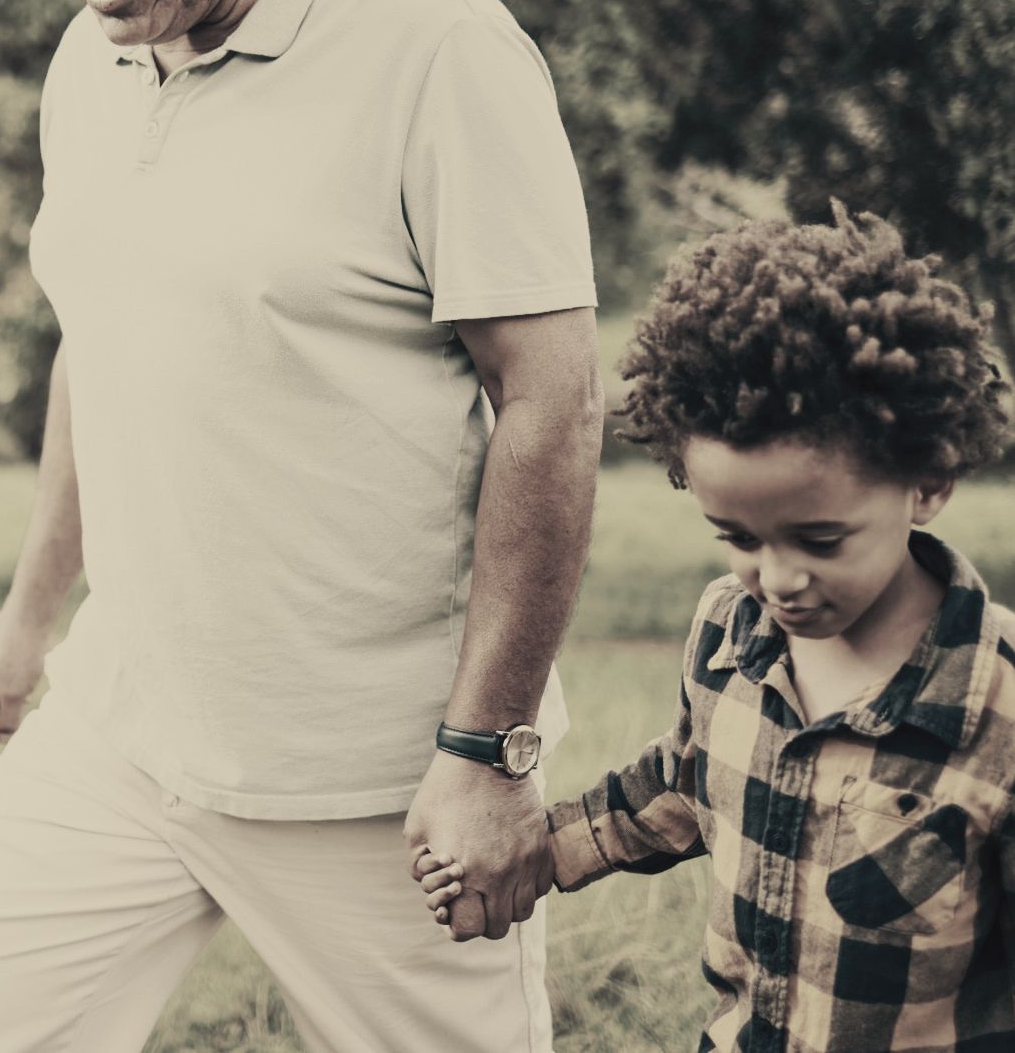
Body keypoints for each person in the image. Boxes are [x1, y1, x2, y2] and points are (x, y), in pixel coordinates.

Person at [0, 0, 603, 1052]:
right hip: (130, 721)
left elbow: (552, 405)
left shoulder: (435, 45)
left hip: (371, 771)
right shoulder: (86, 66)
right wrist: (30, 619)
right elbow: (103, 338)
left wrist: (486, 751)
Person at [416, 207, 1015, 1051]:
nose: (777, 579)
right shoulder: (730, 633)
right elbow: (686, 785)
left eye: (820, 540)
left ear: (927, 484)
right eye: (738, 537)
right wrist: (537, 854)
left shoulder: (997, 710)